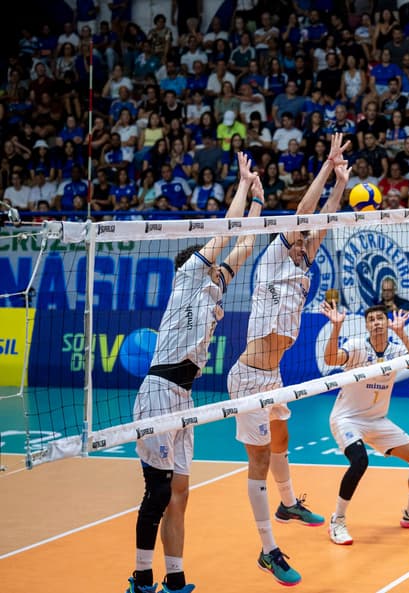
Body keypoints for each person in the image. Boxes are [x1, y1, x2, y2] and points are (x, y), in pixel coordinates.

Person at [127, 152, 262, 593]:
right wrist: (241, 186)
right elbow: (226, 235)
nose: (217, 272)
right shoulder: (188, 275)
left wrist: (259, 204)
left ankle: (176, 577)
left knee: (180, 495)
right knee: (159, 493)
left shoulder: (211, 288)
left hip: (183, 397)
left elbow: (243, 248)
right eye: (210, 267)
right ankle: (142, 578)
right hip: (159, 390)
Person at [226, 133, 351, 586]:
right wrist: (325, 168)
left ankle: (287, 502)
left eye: (308, 240)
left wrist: (341, 184)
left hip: (273, 375)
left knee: (282, 437)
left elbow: (325, 218)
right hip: (249, 378)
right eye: (301, 235)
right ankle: (268, 550)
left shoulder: (303, 266)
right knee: (258, 461)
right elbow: (306, 211)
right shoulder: (273, 260)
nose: (306, 239)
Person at [320, 302, 409, 545]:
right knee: (360, 461)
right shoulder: (356, 347)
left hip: (377, 420)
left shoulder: (396, 350)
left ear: (387, 323)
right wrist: (336, 327)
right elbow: (331, 358)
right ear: (366, 325)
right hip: (347, 419)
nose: (376, 322)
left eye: (380, 319)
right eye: (371, 319)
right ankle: (338, 520)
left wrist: (402, 333)